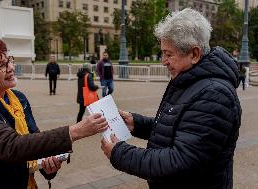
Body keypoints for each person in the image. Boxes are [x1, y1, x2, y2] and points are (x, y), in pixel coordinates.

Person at [101, 8, 241, 189]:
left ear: (194, 54)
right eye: (162, 53)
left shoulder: (214, 95)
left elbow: (180, 161)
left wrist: (120, 153)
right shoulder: (190, 80)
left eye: (169, 54)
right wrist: (137, 124)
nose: (163, 61)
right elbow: (181, 129)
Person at [0, 38, 108, 189]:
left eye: (9, 60)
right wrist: (76, 131)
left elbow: (33, 138)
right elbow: (12, 145)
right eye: (1, 66)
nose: (11, 67)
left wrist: (47, 166)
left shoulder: (19, 98)